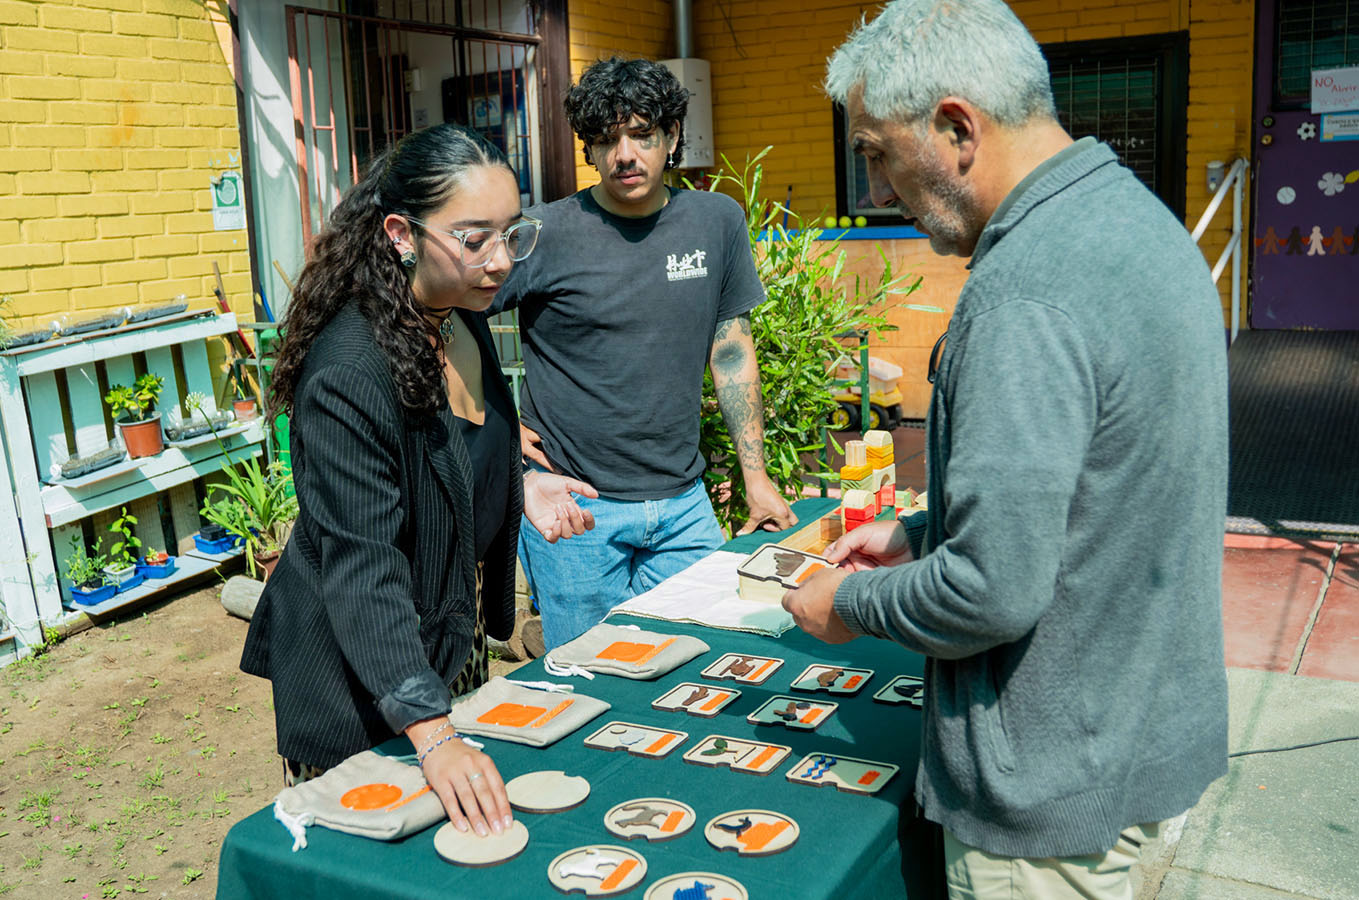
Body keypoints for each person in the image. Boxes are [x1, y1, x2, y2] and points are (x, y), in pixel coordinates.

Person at [783, 1, 1230, 896]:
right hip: (1138, 725)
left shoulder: (1019, 292)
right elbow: (1103, 478)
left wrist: (853, 602)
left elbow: (990, 590)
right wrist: (925, 527)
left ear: (955, 128)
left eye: (874, 152)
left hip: (1050, 782)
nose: (875, 191)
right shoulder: (1137, 220)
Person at [241, 124, 595, 839]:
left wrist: (520, 487)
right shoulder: (348, 372)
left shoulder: (460, 317)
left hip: (443, 642)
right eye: (473, 238)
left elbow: (456, 455)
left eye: (512, 233)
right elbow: (361, 563)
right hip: (359, 666)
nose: (500, 261)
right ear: (400, 233)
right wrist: (434, 735)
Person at [493, 57, 797, 650]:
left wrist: (755, 477)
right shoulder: (543, 233)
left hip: (684, 506)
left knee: (709, 663)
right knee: (587, 682)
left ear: (673, 137)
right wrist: (494, 422)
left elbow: (730, 350)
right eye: (606, 140)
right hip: (575, 511)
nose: (624, 155)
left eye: (641, 135)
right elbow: (447, 312)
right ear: (590, 149)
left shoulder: (716, 222)